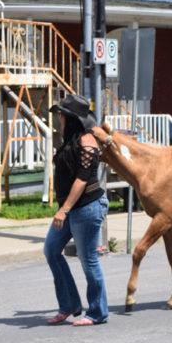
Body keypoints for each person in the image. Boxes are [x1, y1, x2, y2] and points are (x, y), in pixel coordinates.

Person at [44, 94, 109, 327]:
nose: (58, 118)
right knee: (51, 250)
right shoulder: (70, 138)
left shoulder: (87, 141)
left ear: (69, 117)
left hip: (86, 207)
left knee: (88, 259)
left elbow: (82, 179)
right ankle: (69, 305)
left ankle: (98, 312)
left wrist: (64, 210)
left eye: (60, 114)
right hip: (71, 208)